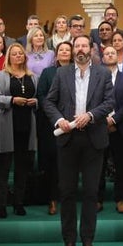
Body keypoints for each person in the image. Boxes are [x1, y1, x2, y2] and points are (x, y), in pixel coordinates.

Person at [42, 34, 115, 246]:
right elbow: (49, 102)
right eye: (77, 46)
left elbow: (110, 103)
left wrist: (91, 116)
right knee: (67, 192)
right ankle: (69, 241)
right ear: (73, 50)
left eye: (85, 45)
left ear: (91, 49)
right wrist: (59, 120)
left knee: (91, 192)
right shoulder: (62, 73)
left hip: (94, 139)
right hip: (68, 139)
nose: (81, 49)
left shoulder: (103, 73)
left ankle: (88, 241)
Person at [0, 43, 38, 218]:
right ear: (8, 57)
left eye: (21, 54)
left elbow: (40, 97)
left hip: (26, 127)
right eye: (14, 54)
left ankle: (19, 202)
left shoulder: (33, 77)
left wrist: (35, 102)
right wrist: (12, 100)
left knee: (22, 168)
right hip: (6, 127)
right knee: (3, 168)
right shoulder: (1, 76)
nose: (18, 56)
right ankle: (1, 205)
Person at [35, 41, 73, 216]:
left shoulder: (77, 71)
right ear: (56, 55)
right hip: (51, 124)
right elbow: (41, 95)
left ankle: (67, 199)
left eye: (67, 50)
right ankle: (52, 200)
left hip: (73, 123)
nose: (64, 52)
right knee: (52, 164)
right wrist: (56, 116)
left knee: (69, 164)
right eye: (61, 50)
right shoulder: (48, 72)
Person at [102, 44, 123, 214]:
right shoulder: (96, 77)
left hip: (120, 127)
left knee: (122, 166)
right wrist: (103, 120)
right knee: (99, 167)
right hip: (99, 128)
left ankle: (121, 199)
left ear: (118, 57)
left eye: (112, 53)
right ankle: (97, 200)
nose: (109, 55)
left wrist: (114, 119)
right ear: (102, 57)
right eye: (106, 53)